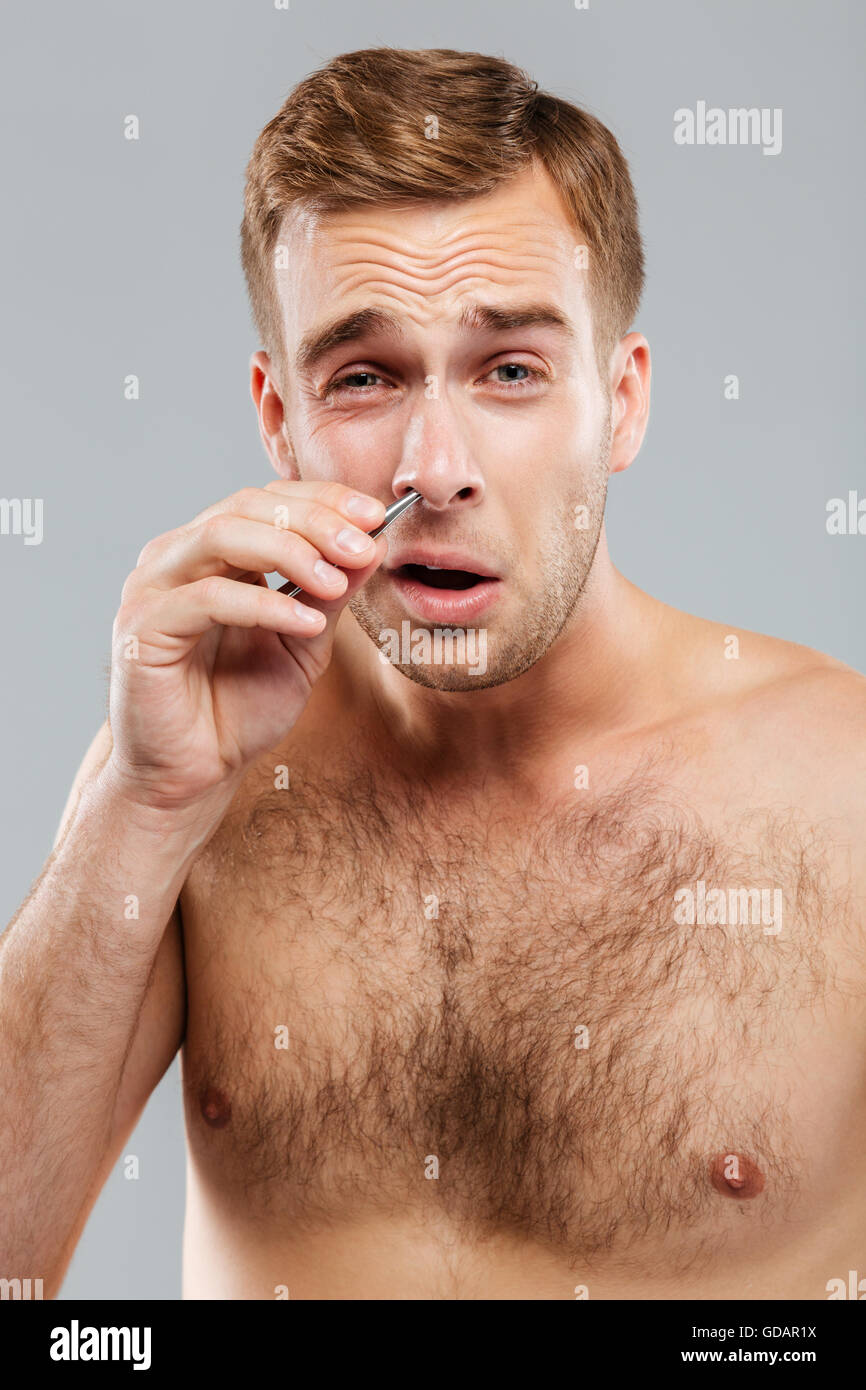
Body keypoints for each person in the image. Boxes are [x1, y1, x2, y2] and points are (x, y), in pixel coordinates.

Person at [3, 47, 864, 1301]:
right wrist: (137, 807)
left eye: (510, 369)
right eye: (364, 376)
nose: (437, 464)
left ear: (619, 402)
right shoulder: (194, 777)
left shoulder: (842, 791)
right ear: (277, 417)